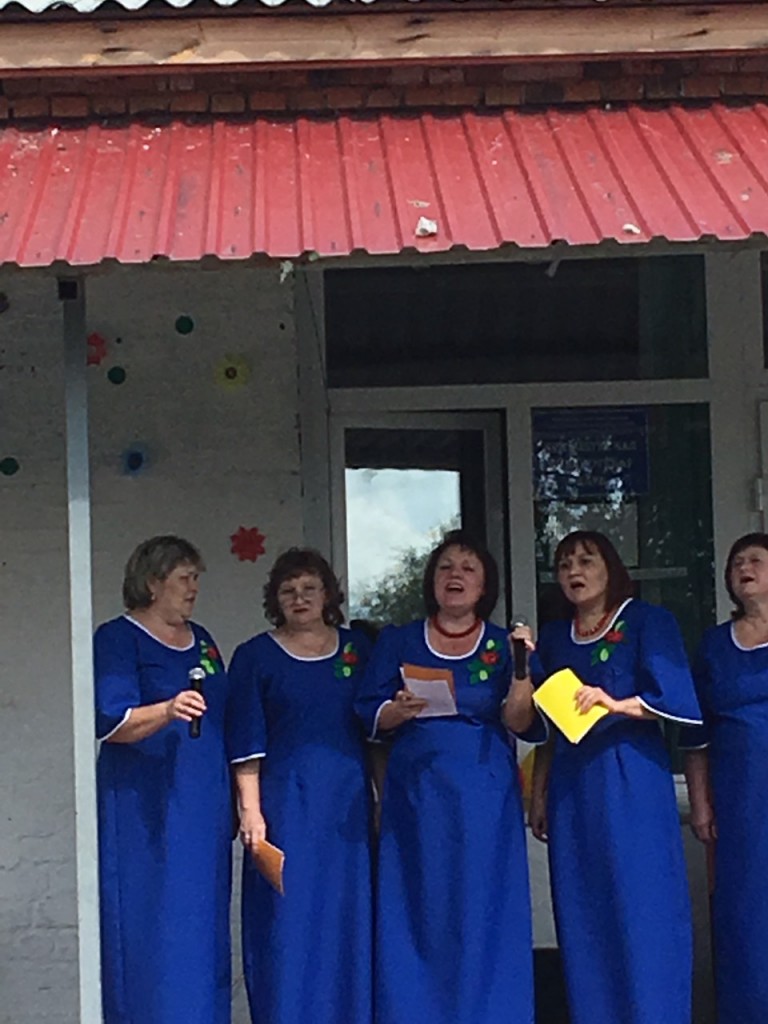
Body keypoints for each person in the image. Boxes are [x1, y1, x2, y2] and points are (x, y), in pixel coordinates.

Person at [355, 529, 537, 1024]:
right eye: (445, 567)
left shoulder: (504, 645)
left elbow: (521, 721)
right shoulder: (398, 641)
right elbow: (367, 711)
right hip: (416, 800)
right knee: (420, 909)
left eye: (468, 568)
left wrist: (522, 672)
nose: (455, 575)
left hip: (485, 801)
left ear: (485, 586)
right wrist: (394, 711)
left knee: (482, 910)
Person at [528, 530, 702, 1024]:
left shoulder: (647, 622)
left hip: (631, 780)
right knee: (585, 913)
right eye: (565, 564)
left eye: (586, 561)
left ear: (611, 569)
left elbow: (678, 702)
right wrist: (539, 795)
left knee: (642, 907)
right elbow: (547, 727)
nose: (574, 571)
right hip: (573, 787)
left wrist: (615, 703)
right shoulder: (556, 638)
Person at [227, 548, 373, 1024]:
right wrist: (251, 812)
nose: (299, 598)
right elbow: (245, 740)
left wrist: (382, 798)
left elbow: (377, 729)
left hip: (348, 813)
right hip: (285, 809)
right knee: (287, 925)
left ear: (328, 594)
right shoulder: (255, 656)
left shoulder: (358, 651)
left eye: (309, 588)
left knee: (346, 923)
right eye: (288, 591)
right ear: (275, 600)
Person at [94, 535, 232, 1024]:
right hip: (147, 808)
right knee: (153, 923)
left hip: (203, 805)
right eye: (184, 579)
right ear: (153, 584)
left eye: (196, 578)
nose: (194, 588)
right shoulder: (118, 638)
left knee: (203, 924)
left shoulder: (204, 640)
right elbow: (111, 721)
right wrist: (169, 709)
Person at [682, 532, 768, 1024]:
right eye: (736, 563)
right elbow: (696, 731)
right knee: (745, 916)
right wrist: (699, 802)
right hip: (740, 799)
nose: (743, 568)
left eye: (755, 559)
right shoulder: (715, 645)